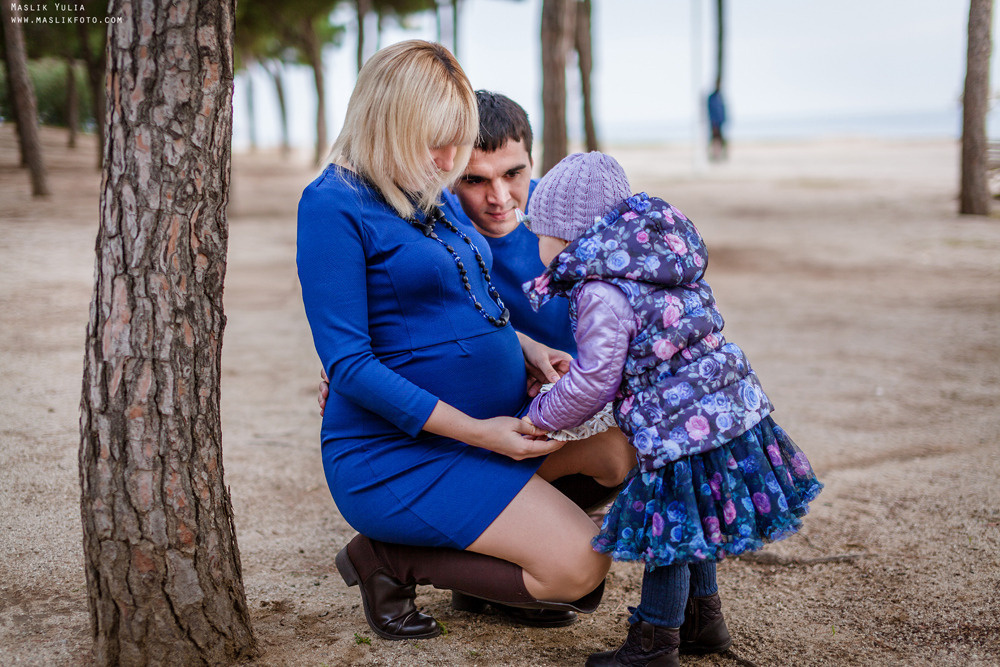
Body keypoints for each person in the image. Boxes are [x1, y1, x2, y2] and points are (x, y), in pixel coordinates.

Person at [297, 41, 630, 642]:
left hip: (488, 432)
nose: (450, 158)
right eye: (435, 139)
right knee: (582, 568)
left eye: (458, 138)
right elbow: (348, 363)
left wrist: (526, 348)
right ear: (388, 122)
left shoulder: (431, 189)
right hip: (396, 455)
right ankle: (386, 559)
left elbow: (474, 297)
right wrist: (482, 432)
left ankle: (488, 569)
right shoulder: (333, 204)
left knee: (619, 453)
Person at [521, 152, 824, 666]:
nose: (537, 244)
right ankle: (704, 621)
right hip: (726, 409)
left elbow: (595, 381)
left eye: (541, 232)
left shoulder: (602, 290)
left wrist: (541, 415)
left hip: (681, 427)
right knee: (697, 518)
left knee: (672, 529)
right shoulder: (655, 263)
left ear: (571, 234)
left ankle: (655, 642)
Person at [707, 88, 727, 162]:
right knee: (715, 140)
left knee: (719, 140)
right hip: (714, 123)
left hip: (719, 122)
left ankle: (719, 155)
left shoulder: (719, 97)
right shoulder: (713, 98)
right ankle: (714, 155)